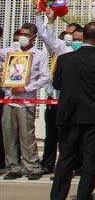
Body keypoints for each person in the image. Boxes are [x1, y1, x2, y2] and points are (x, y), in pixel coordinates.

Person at [48, 22, 95, 200]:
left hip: (68, 114)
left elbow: (57, 84)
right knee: (89, 158)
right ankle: (84, 195)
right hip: (93, 115)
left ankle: (57, 195)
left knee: (66, 157)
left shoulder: (65, 59)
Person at [36, 8, 84, 175]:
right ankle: (48, 164)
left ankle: (72, 165)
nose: (68, 37)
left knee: (70, 137)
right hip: (53, 98)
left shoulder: (78, 51)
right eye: (67, 34)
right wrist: (48, 20)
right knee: (51, 136)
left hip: (71, 101)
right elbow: (46, 37)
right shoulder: (61, 48)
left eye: (73, 34)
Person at [1, 22, 50, 180]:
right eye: (21, 34)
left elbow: (46, 77)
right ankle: (13, 167)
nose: (22, 38)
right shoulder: (10, 52)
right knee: (9, 133)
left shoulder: (39, 55)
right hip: (9, 98)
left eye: (25, 35)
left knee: (27, 135)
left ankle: (32, 167)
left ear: (33, 37)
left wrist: (27, 88)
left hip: (26, 100)